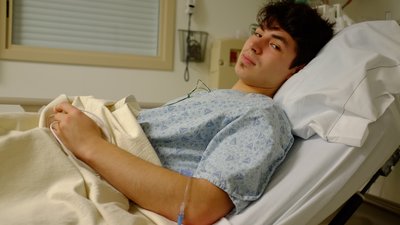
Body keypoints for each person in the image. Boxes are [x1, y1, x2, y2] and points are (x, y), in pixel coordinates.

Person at [49, 1, 334, 224]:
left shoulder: (262, 116)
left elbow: (198, 206)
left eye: (274, 44)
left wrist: (90, 144)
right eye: (258, 32)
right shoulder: (218, 98)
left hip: (88, 158)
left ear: (298, 70)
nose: (254, 45)